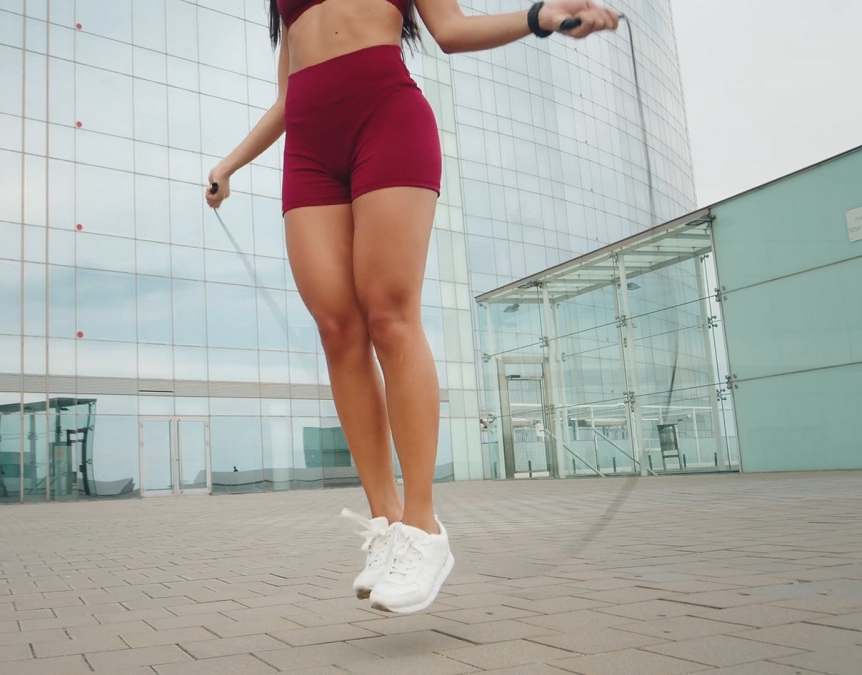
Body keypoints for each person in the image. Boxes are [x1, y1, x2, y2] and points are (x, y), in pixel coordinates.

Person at [206, 0, 619, 614]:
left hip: (387, 121)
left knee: (389, 316)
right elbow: (291, 95)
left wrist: (541, 16)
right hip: (311, 149)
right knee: (337, 328)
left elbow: (450, 32)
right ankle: (387, 522)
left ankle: (424, 527)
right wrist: (230, 162)